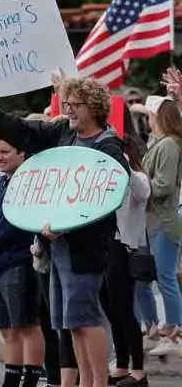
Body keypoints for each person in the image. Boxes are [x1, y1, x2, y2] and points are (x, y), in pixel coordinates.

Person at [0, 74, 129, 387]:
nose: (69, 110)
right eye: (67, 104)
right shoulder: (63, 131)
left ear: (94, 107)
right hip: (56, 246)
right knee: (70, 323)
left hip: (85, 248)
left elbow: (107, 198)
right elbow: (23, 131)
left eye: (75, 105)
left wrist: (66, 225)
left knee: (86, 320)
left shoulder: (109, 147)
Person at [0, 137, 44, 387]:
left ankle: (32, 379)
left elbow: (18, 220)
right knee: (6, 328)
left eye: (5, 151)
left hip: (19, 260)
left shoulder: (28, 183)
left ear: (22, 153)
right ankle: (11, 379)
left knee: (26, 325)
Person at [102, 134, 150, 386]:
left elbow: (143, 192)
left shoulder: (137, 178)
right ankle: (121, 364)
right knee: (110, 308)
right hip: (106, 246)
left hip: (125, 248)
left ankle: (139, 370)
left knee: (124, 309)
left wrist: (125, 166)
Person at [142, 97, 182, 357]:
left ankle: (174, 331)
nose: (147, 118)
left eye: (150, 114)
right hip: (156, 220)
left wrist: (139, 186)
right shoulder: (162, 143)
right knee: (158, 275)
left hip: (164, 221)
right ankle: (164, 326)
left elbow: (165, 185)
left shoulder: (168, 144)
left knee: (165, 276)